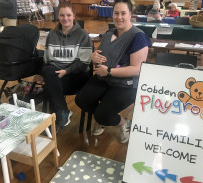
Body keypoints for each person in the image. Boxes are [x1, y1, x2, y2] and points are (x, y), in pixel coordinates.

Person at [75, 0, 151, 143]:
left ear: (130, 14)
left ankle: (123, 123)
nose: (119, 17)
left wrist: (109, 71)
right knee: (81, 100)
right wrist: (93, 56)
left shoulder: (138, 37)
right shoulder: (109, 33)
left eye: (123, 13)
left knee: (102, 114)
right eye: (116, 13)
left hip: (125, 84)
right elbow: (101, 54)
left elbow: (137, 69)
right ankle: (104, 118)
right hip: (103, 78)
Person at [41, 2, 92, 132]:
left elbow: (84, 63)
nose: (65, 18)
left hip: (76, 75)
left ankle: (58, 118)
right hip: (56, 75)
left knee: (50, 85)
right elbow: (47, 60)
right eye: (62, 15)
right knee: (47, 72)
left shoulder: (83, 35)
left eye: (68, 15)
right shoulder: (52, 34)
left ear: (74, 16)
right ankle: (62, 113)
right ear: (58, 16)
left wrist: (67, 70)